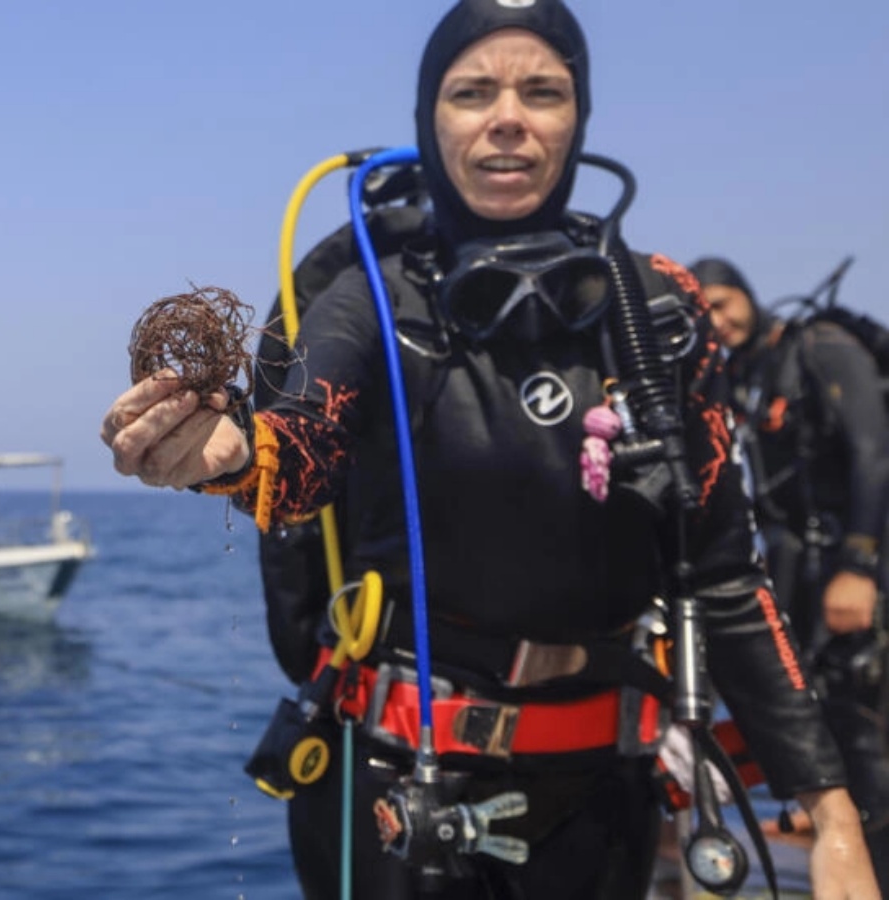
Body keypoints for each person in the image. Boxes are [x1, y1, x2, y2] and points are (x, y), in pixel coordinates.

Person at [100, 1, 878, 897]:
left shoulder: (657, 310)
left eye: (542, 89)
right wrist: (232, 454)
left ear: (577, 119)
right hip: (398, 786)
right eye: (472, 91)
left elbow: (723, 575)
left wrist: (833, 813)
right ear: (432, 119)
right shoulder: (373, 297)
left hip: (603, 797)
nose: (507, 114)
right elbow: (298, 452)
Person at [692, 255, 889, 884]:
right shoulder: (747, 378)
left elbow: (873, 453)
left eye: (724, 303)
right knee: (845, 742)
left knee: (872, 748)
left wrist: (858, 565)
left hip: (859, 580)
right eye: (706, 312)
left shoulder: (821, 347)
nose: (718, 320)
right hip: (809, 591)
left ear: (748, 295)